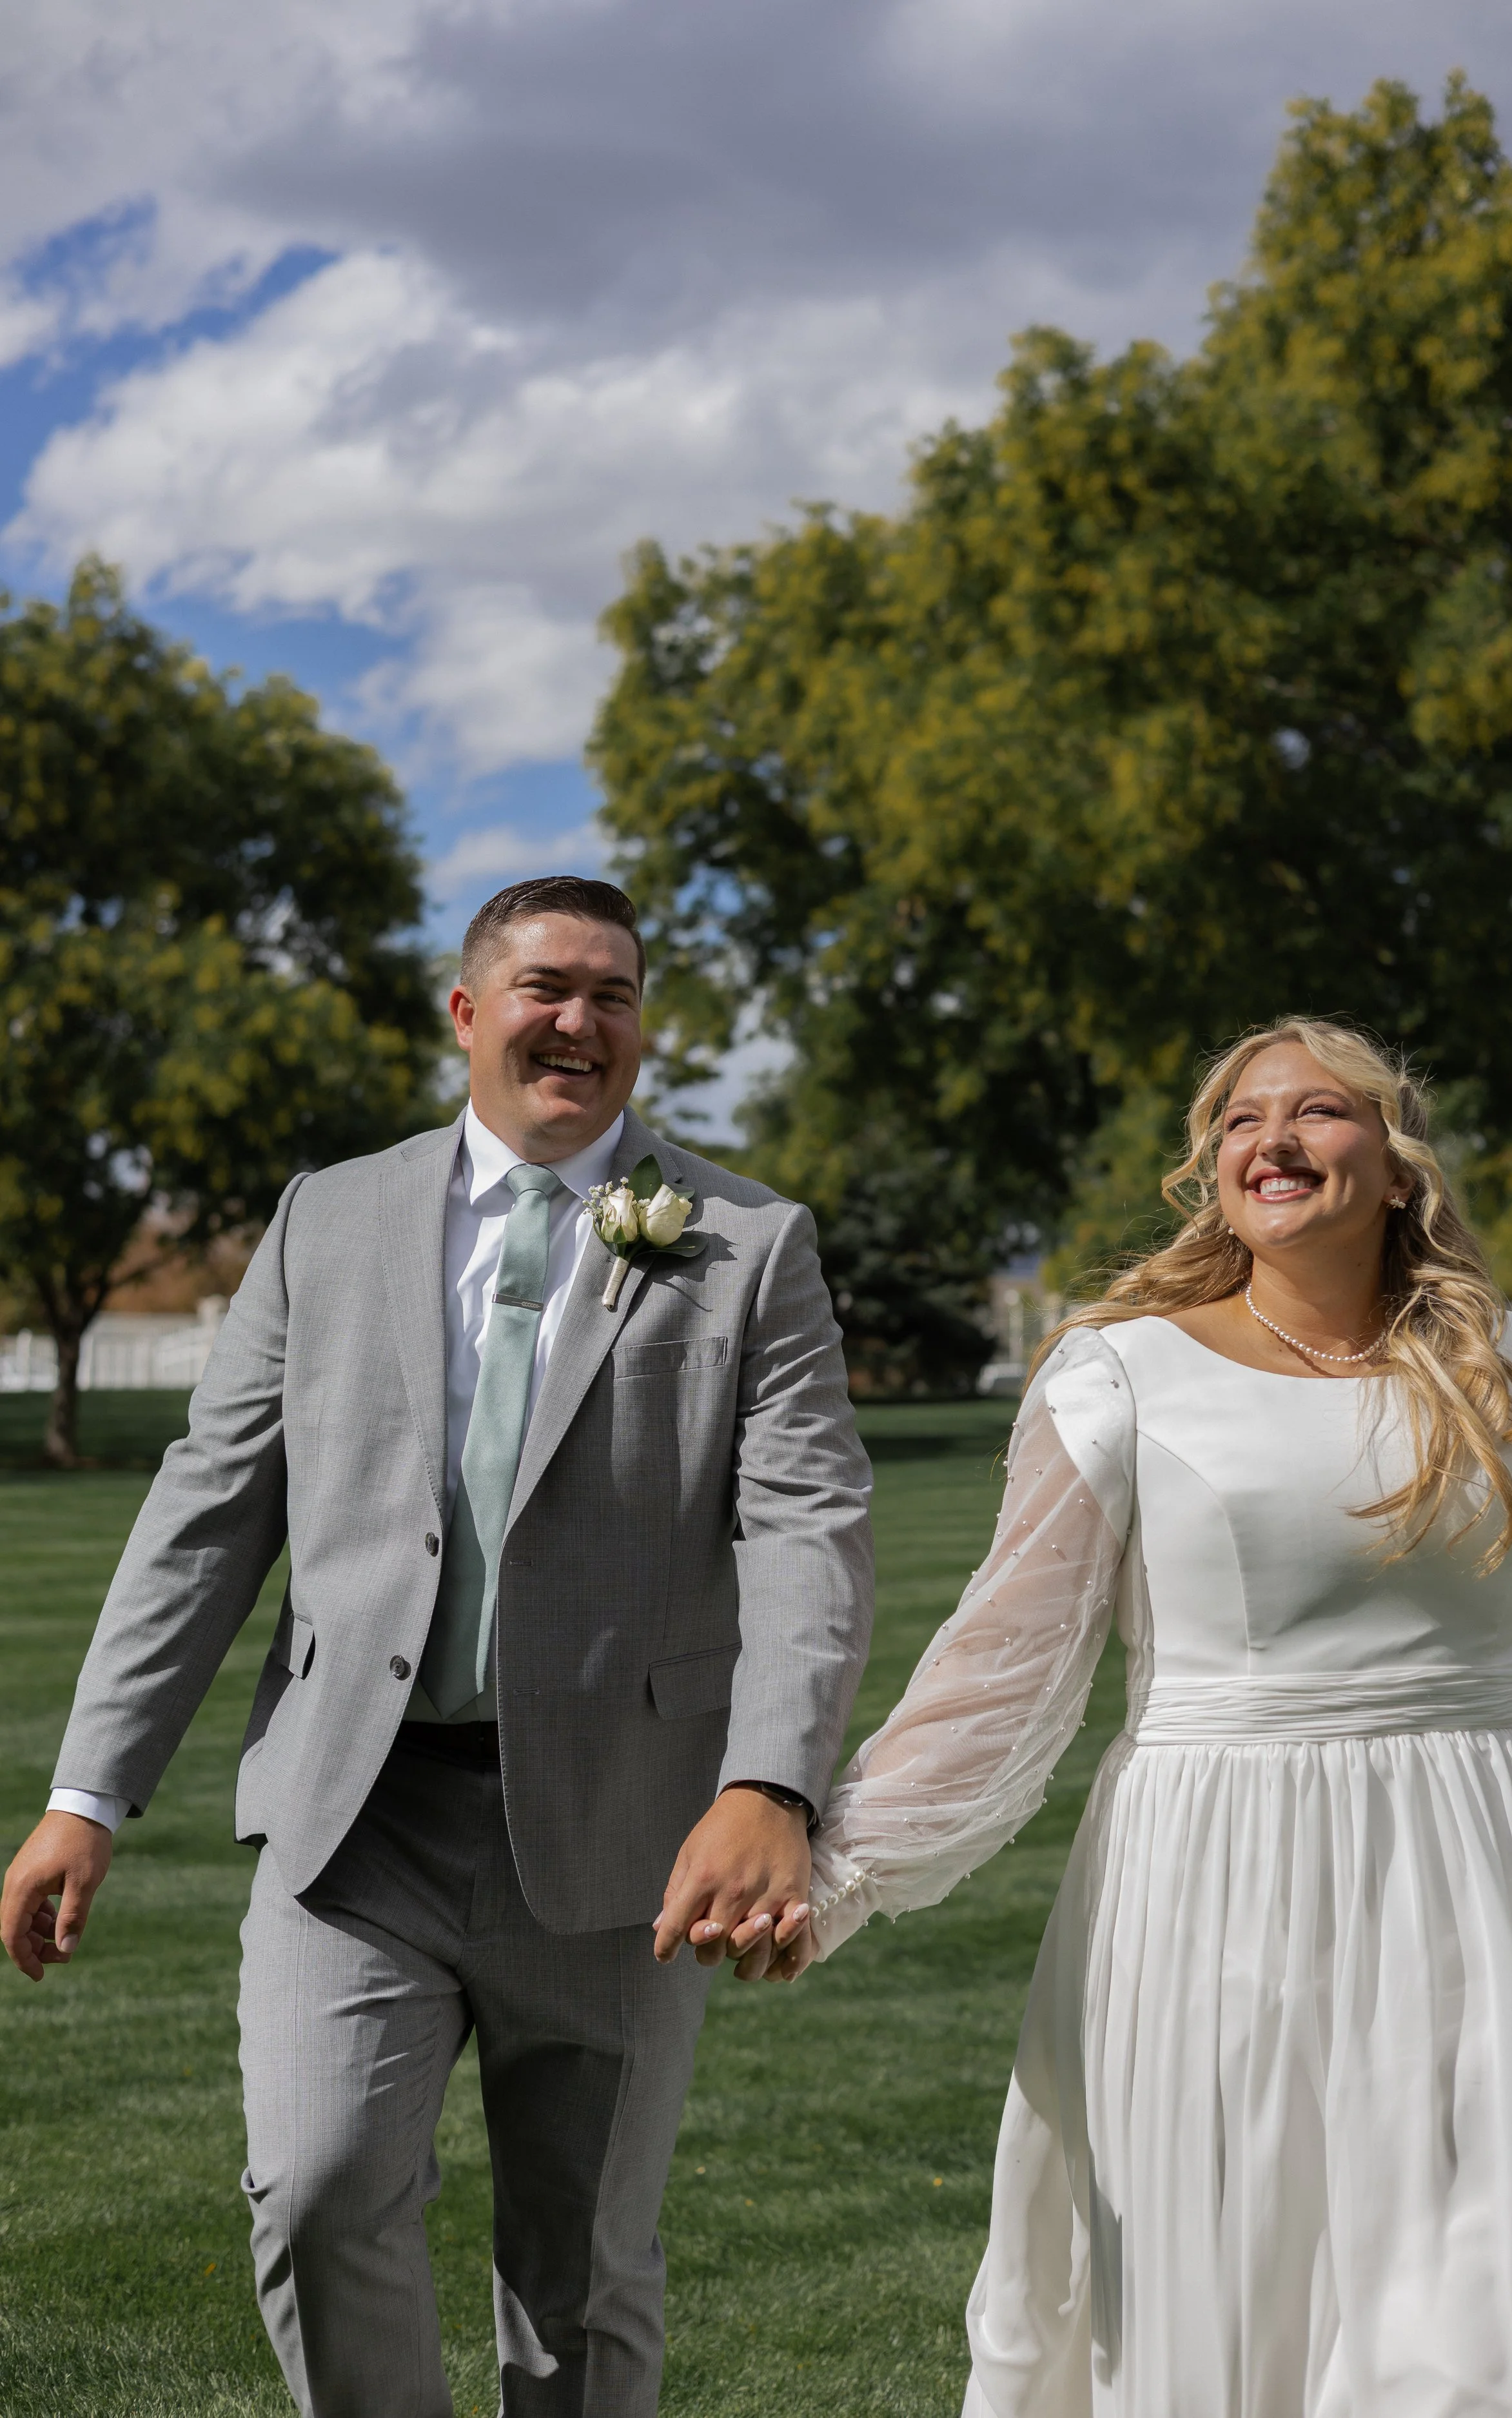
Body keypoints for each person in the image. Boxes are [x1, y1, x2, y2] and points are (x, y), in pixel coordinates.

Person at [1, 874, 874, 2417]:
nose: (578, 1020)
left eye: (612, 994)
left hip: (625, 1840)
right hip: (354, 1821)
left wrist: (771, 1787)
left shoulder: (747, 1241)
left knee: (582, 2277)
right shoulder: (322, 1218)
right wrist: (86, 1794)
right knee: (318, 2192)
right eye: (545, 986)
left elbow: (810, 1531)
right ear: (468, 1013)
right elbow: (209, 1510)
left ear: (640, 1029)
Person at [785, 1017, 1512, 2417]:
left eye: (1316, 1112)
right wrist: (835, 1876)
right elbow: (1003, 1661)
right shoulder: (1120, 1377)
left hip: (1482, 1880)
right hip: (1213, 1893)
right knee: (1232, 2287)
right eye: (1237, 1120)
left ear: (1397, 1162)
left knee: (1487, 2312)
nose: (1270, 1140)